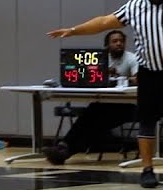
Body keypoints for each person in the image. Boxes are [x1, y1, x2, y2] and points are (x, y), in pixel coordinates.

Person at [49, 0, 163, 189]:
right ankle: (147, 170)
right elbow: (103, 22)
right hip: (149, 73)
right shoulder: (134, 7)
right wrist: (73, 30)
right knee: (147, 121)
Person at [49, 30, 140, 159]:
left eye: (121, 41)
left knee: (95, 120)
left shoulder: (131, 58)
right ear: (107, 45)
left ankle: (66, 147)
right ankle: (65, 147)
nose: (119, 44)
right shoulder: (100, 58)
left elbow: (138, 79)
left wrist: (120, 77)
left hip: (127, 106)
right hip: (104, 105)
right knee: (92, 112)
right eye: (115, 41)